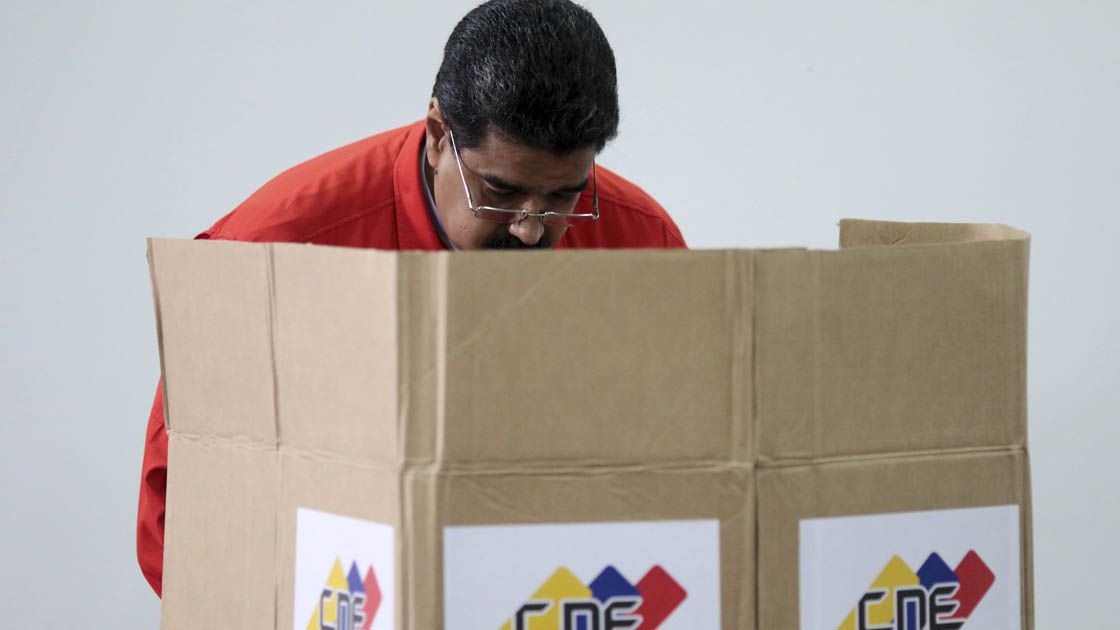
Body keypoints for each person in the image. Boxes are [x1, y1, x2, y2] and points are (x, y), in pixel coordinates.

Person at [136, 0, 686, 596]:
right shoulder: (274, 255)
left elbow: (689, 475)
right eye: (501, 191)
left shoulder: (643, 247)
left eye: (564, 196)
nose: (531, 228)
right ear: (437, 135)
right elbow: (178, 526)